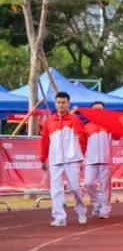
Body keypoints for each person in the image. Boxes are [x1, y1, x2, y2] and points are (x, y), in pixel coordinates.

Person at [39, 92, 88, 227]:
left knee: (75, 188)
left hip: (72, 159)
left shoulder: (74, 119)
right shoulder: (49, 121)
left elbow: (82, 137)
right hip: (55, 159)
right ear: (55, 104)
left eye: (64, 102)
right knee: (56, 189)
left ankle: (81, 212)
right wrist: (43, 158)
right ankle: (59, 217)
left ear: (68, 103)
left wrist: (81, 156)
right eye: (59, 102)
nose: (61, 105)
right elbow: (44, 141)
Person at [82, 101, 113, 219]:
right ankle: (96, 202)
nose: (97, 111)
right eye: (95, 109)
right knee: (88, 183)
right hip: (90, 160)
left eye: (100, 109)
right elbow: (82, 144)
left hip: (105, 160)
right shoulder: (86, 126)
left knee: (105, 186)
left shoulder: (109, 125)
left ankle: (105, 209)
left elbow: (117, 135)